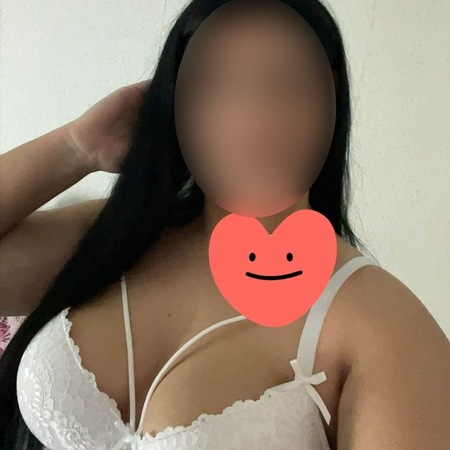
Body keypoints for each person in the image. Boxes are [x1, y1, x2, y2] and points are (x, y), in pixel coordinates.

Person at [1, 0, 449, 449]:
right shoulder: (121, 235)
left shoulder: (378, 322)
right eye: (215, 85)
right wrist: (78, 147)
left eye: (282, 83)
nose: (250, 117)